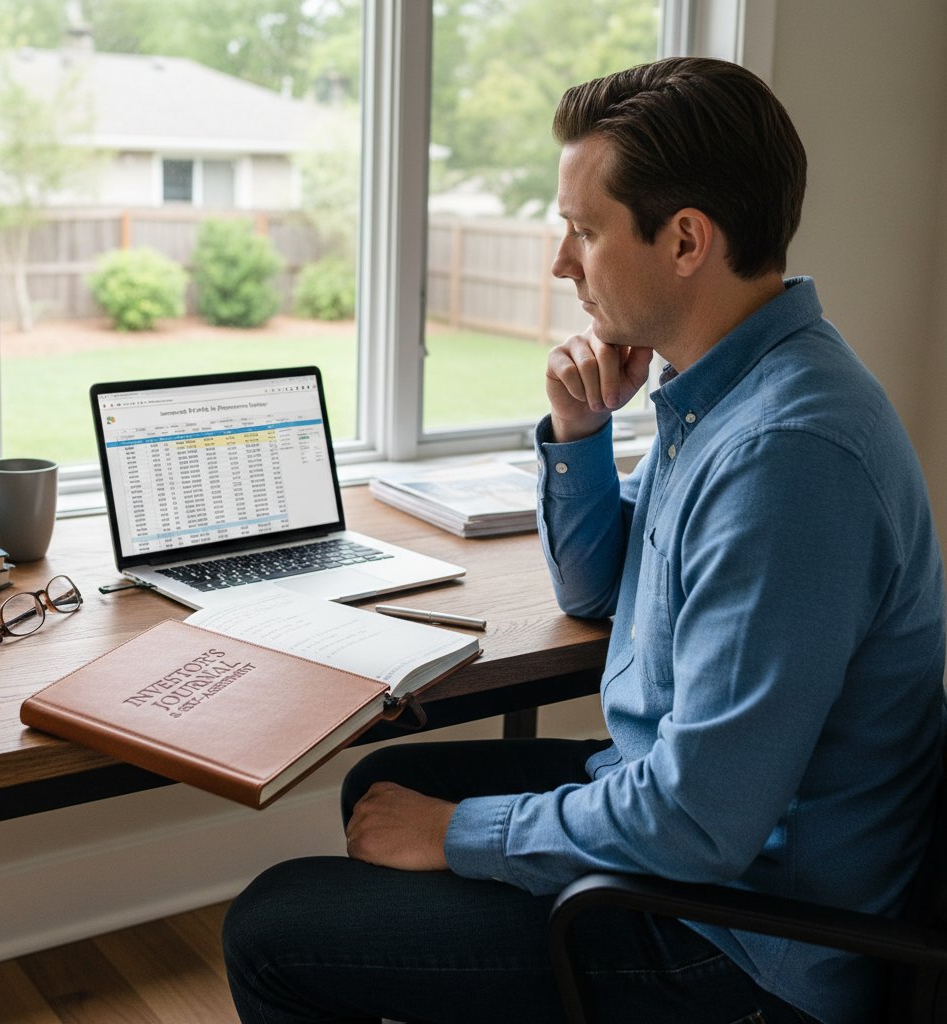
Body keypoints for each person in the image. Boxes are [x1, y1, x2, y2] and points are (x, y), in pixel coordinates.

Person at [222, 56, 946, 1024]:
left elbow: (698, 824)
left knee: (272, 928)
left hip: (745, 939)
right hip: (706, 832)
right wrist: (580, 435)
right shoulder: (728, 389)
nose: (562, 262)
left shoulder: (788, 456)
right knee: (385, 781)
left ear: (685, 239)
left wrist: (466, 832)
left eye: (583, 229)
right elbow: (599, 591)